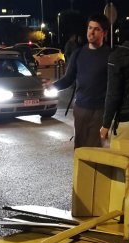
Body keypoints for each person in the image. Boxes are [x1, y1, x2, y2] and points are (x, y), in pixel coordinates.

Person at [43, 14, 110, 148]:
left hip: (100, 110)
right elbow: (68, 79)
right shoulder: (78, 54)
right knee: (80, 148)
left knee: (97, 150)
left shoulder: (110, 55)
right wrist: (53, 86)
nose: (91, 32)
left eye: (96, 29)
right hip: (80, 108)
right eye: (90, 28)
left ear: (104, 33)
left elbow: (115, 86)